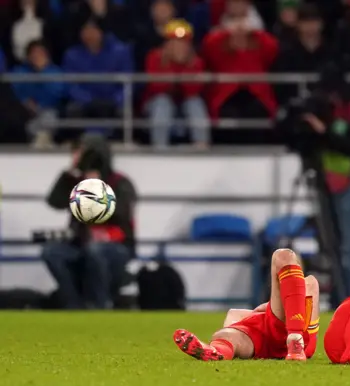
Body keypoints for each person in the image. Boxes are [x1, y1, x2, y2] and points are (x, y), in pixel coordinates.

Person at [303, 63, 350, 300]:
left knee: (349, 248)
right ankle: (338, 298)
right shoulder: (329, 109)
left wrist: (324, 131)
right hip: (327, 183)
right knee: (331, 245)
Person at [41, 134, 137, 309]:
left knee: (95, 251)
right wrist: (69, 175)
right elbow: (54, 201)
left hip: (117, 244)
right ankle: (73, 304)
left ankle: (100, 304)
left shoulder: (120, 182)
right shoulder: (76, 181)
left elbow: (120, 213)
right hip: (81, 243)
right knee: (51, 252)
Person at [173, 249, 320, 361]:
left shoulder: (309, 283)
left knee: (284, 255)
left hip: (290, 332)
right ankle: (214, 352)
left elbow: (311, 341)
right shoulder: (256, 314)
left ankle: (295, 338)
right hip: (264, 342)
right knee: (225, 336)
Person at [143, 19, 209, 148]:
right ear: (167, 43)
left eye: (183, 42)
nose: (179, 46)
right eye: (175, 41)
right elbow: (157, 87)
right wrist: (169, 65)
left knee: (195, 103)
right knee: (163, 102)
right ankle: (160, 147)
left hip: (184, 104)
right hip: (156, 104)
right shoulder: (154, 57)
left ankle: (201, 146)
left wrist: (185, 66)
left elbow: (193, 90)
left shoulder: (196, 62)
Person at [11, 39, 65, 148]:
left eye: (41, 52)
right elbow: (15, 91)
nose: (37, 56)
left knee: (49, 116)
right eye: (34, 52)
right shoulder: (19, 71)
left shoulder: (56, 72)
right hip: (25, 110)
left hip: (48, 109)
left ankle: (42, 140)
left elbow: (56, 94)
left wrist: (42, 71)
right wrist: (26, 101)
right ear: (28, 55)